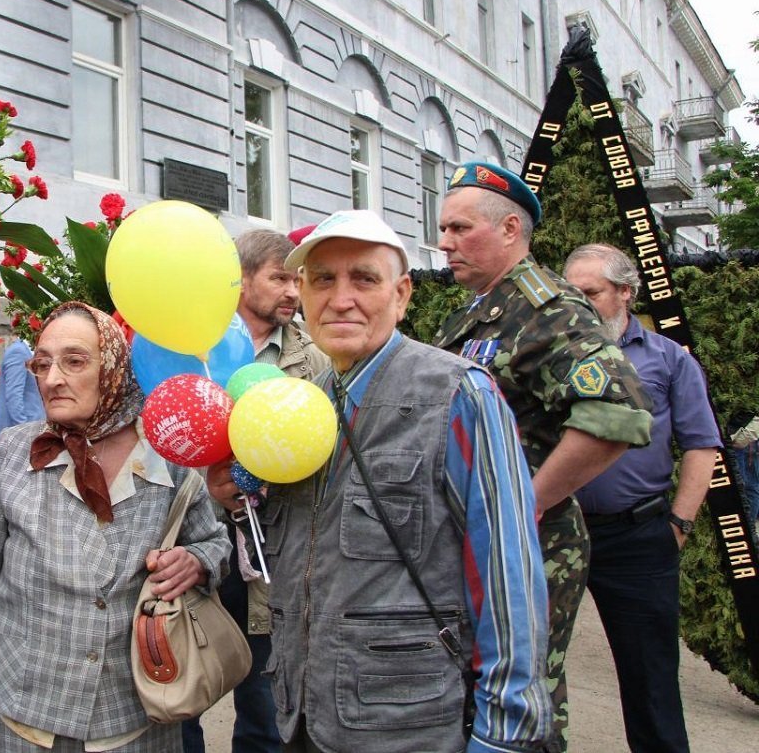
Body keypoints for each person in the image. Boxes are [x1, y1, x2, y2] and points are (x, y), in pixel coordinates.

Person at [223, 210, 551, 752]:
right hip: (302, 719)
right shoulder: (303, 402)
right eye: (323, 279)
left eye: (365, 279)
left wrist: (503, 735)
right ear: (303, 294)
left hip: (409, 725)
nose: (341, 298)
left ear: (401, 295)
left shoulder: (458, 394)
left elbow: (507, 576)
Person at [0, 301, 230, 752]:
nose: (52, 379)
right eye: (42, 363)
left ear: (112, 368)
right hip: (18, 711)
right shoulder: (16, 450)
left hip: (134, 714)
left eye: (74, 361)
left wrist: (196, 561)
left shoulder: (168, 452)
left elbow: (214, 541)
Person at [433, 162, 653, 749]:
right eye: (443, 229)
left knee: (522, 702)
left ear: (510, 229)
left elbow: (617, 415)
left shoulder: (549, 307)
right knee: (475, 692)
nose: (444, 242)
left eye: (459, 228)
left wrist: (524, 505)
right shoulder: (480, 307)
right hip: (477, 540)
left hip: (531, 547)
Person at [563, 243, 719, 753]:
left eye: (592, 293)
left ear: (626, 293)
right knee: (526, 664)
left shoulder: (669, 360)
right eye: (571, 294)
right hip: (554, 530)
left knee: (650, 679)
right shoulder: (548, 351)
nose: (580, 305)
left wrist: (678, 525)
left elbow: (701, 444)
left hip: (637, 536)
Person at [182, 229, 326, 753]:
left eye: (297, 279)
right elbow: (164, 439)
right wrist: (209, 486)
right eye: (280, 277)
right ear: (242, 282)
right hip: (193, 548)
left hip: (274, 551)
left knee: (267, 704)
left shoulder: (314, 357)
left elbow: (322, 445)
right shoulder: (194, 345)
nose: (293, 290)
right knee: (181, 691)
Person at [0, 336, 44, 444]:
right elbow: (14, 396)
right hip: (20, 435)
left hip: (31, 429)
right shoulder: (18, 352)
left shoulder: (28, 351)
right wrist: (24, 432)